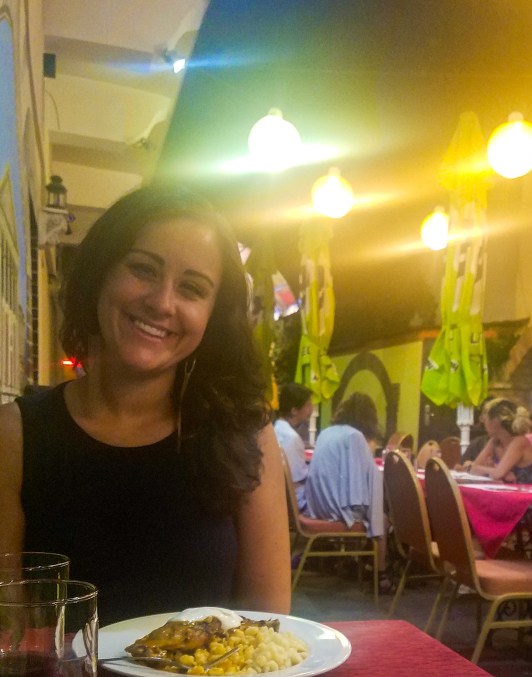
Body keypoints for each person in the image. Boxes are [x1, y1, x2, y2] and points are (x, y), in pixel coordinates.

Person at [0, 183, 291, 624]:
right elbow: (8, 631)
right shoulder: (16, 435)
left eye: (192, 289)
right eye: (143, 269)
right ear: (101, 272)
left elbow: (271, 628)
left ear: (212, 318)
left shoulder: (245, 435)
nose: (161, 302)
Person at [303, 392, 389, 588]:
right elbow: (366, 483)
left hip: (317, 506)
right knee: (381, 517)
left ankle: (356, 561)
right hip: (335, 512)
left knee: (362, 506)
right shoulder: (354, 437)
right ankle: (380, 573)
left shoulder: (327, 432)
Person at [467, 400, 532, 484]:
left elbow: (498, 474)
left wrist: (494, 471)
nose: (484, 423)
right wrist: (496, 471)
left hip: (527, 494)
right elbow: (474, 468)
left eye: (487, 419)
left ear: (495, 422)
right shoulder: (494, 441)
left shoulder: (519, 441)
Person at [274, 382, 313, 511]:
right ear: (294, 411)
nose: (311, 410)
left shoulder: (276, 429)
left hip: (282, 497)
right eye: (307, 405)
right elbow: (298, 477)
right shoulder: (292, 438)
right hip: (297, 502)